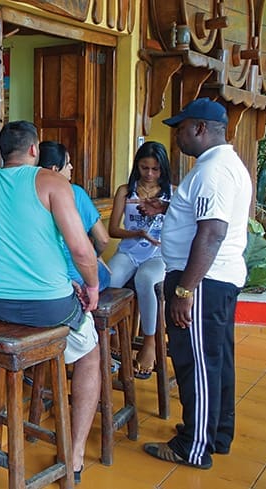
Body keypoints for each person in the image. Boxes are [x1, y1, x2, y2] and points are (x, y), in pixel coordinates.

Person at [0, 121, 101, 483]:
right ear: (34, 150)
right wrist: (91, 286)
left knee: (25, 320)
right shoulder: (52, 182)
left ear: (3, 152)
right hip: (49, 307)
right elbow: (81, 248)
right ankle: (74, 453)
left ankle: (2, 418)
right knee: (90, 353)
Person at [141, 98, 251, 470]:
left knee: (196, 363)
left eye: (181, 128)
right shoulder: (220, 165)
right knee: (215, 361)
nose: (176, 136)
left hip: (203, 282)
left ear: (200, 128)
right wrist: (169, 210)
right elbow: (201, 219)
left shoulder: (212, 171)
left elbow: (212, 232)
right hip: (214, 279)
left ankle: (193, 444)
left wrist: (185, 290)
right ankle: (216, 432)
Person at [107, 141, 173, 380]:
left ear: (163, 169)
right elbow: (114, 229)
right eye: (144, 168)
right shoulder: (126, 191)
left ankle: (149, 341)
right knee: (109, 277)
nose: (149, 174)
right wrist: (136, 233)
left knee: (146, 279)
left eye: (155, 169)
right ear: (137, 166)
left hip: (158, 255)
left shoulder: (172, 194)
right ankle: (113, 331)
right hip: (129, 251)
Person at [37, 141, 112, 291]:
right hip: (78, 279)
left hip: (42, 277)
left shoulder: (29, 194)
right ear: (55, 169)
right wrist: (96, 256)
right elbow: (103, 239)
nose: (71, 167)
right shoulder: (76, 192)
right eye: (68, 163)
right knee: (104, 272)